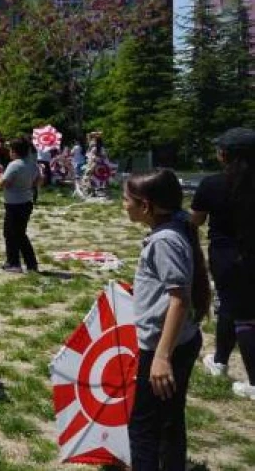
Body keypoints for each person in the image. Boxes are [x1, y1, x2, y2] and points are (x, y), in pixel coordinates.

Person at [122, 169, 209, 469]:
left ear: (145, 206)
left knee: (143, 428)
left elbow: (179, 298)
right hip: (182, 341)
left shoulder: (165, 240)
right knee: (170, 419)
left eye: (126, 199)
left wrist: (161, 357)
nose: (124, 205)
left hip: (164, 346)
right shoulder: (179, 224)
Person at [191, 128, 255, 401]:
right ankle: (219, 361)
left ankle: (253, 383)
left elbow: (196, 219)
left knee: (245, 317)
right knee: (231, 306)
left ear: (226, 155)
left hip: (227, 257)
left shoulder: (213, 184)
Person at [0, 137, 41, 273]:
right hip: (26, 202)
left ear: (14, 151)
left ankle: (20, 264)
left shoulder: (15, 165)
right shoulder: (32, 164)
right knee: (11, 233)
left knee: (17, 234)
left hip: (14, 204)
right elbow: (38, 181)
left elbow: (3, 184)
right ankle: (16, 262)